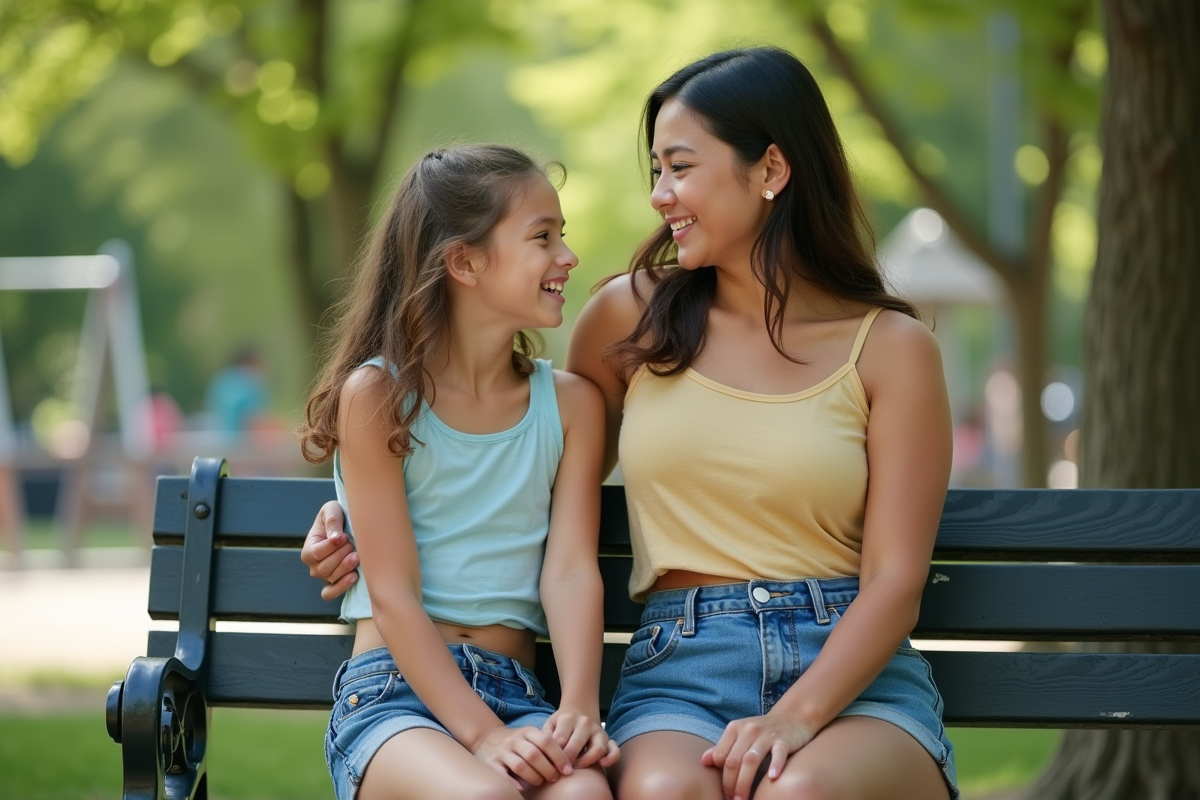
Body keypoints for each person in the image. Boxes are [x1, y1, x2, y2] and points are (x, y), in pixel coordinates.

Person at [306, 48, 957, 800]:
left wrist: (794, 717)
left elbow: (895, 579)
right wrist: (345, 509)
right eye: (655, 171)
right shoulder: (628, 319)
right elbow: (512, 463)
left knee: (794, 793)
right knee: (655, 795)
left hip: (848, 670)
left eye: (679, 168)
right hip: (683, 665)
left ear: (771, 170)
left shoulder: (892, 349)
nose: (659, 195)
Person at [297, 144, 618, 800]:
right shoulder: (378, 398)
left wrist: (580, 707)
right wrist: (481, 737)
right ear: (464, 262)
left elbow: (570, 568)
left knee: (584, 795)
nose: (567, 257)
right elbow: (393, 593)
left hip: (519, 692)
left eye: (564, 235)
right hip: (394, 697)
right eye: (543, 237)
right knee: (486, 796)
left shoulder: (574, 406)